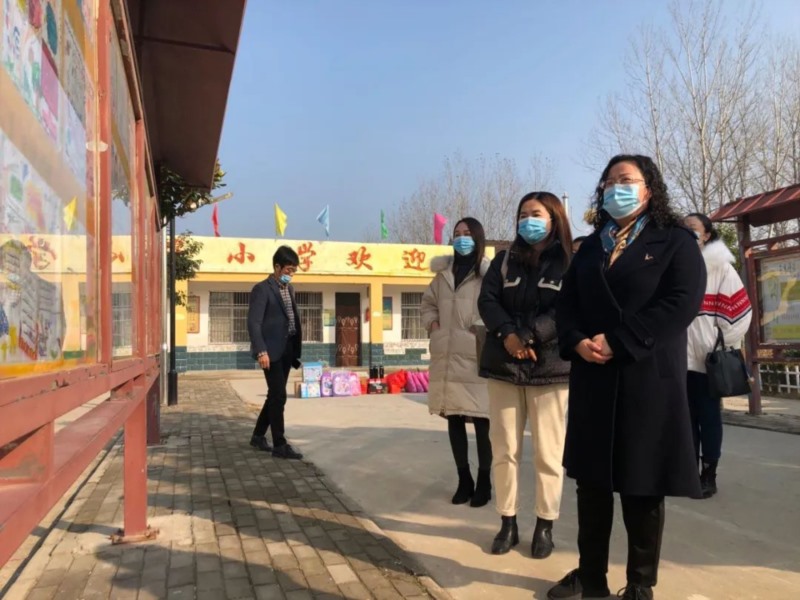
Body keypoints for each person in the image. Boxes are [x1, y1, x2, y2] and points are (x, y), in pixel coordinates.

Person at [549, 155, 706, 600]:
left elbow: (681, 302)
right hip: (593, 376)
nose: (616, 187)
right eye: (609, 182)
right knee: (592, 486)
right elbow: (567, 306)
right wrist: (576, 341)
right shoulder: (590, 247)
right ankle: (591, 577)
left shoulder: (675, 241)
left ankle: (639, 584)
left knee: (642, 485)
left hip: (646, 376)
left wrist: (621, 340)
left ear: (649, 189)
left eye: (627, 180)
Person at [477, 192, 572, 558]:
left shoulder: (569, 261)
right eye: (522, 214)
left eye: (536, 214)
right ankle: (508, 522)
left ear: (554, 219)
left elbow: (568, 308)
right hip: (504, 366)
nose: (527, 220)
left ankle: (545, 525)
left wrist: (530, 335)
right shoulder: (504, 260)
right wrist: (509, 335)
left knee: (549, 453)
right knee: (504, 450)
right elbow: (488, 301)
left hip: (550, 368)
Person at [421, 217, 493, 508]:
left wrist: (480, 328)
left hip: (476, 354)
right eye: (457, 233)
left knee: (482, 420)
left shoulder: (488, 274)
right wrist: (433, 324)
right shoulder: (442, 275)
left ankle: (485, 481)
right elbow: (427, 304)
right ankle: (464, 479)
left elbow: (496, 306)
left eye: (468, 234)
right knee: (453, 418)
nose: (462, 238)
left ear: (478, 238)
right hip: (447, 355)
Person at [684, 212, 752, 499]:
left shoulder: (720, 267)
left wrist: (718, 343)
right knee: (685, 420)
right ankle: (688, 473)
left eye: (692, 229)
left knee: (709, 418)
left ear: (707, 235)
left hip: (706, 361)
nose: (687, 233)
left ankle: (708, 474)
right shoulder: (673, 267)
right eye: (682, 229)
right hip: (677, 361)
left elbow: (740, 312)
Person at [247, 246, 304, 460]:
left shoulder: (290, 289)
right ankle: (279, 444)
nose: (291, 274)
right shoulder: (262, 289)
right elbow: (254, 323)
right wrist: (261, 351)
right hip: (270, 351)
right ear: (277, 267)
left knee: (274, 395)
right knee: (279, 395)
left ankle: (258, 436)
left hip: (287, 349)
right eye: (288, 270)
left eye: (294, 270)